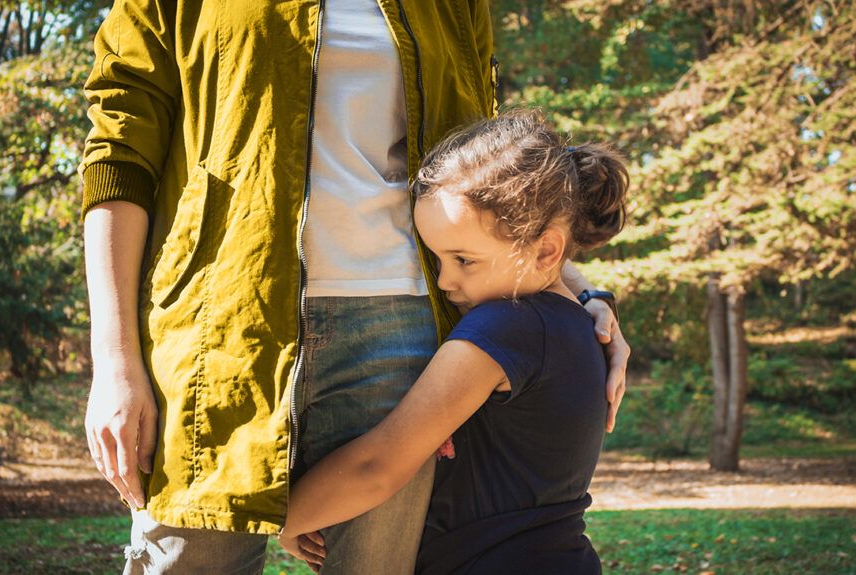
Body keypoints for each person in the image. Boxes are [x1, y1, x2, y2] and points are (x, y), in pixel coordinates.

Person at [80, 1, 630, 573]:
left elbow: (496, 184)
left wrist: (575, 293)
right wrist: (114, 359)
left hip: (405, 332)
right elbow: (120, 150)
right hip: (218, 332)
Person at [278, 110, 628, 574]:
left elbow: (377, 466)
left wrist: (283, 519)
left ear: (546, 251)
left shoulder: (507, 327)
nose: (445, 281)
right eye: (437, 258)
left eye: (464, 259)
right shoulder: (573, 326)